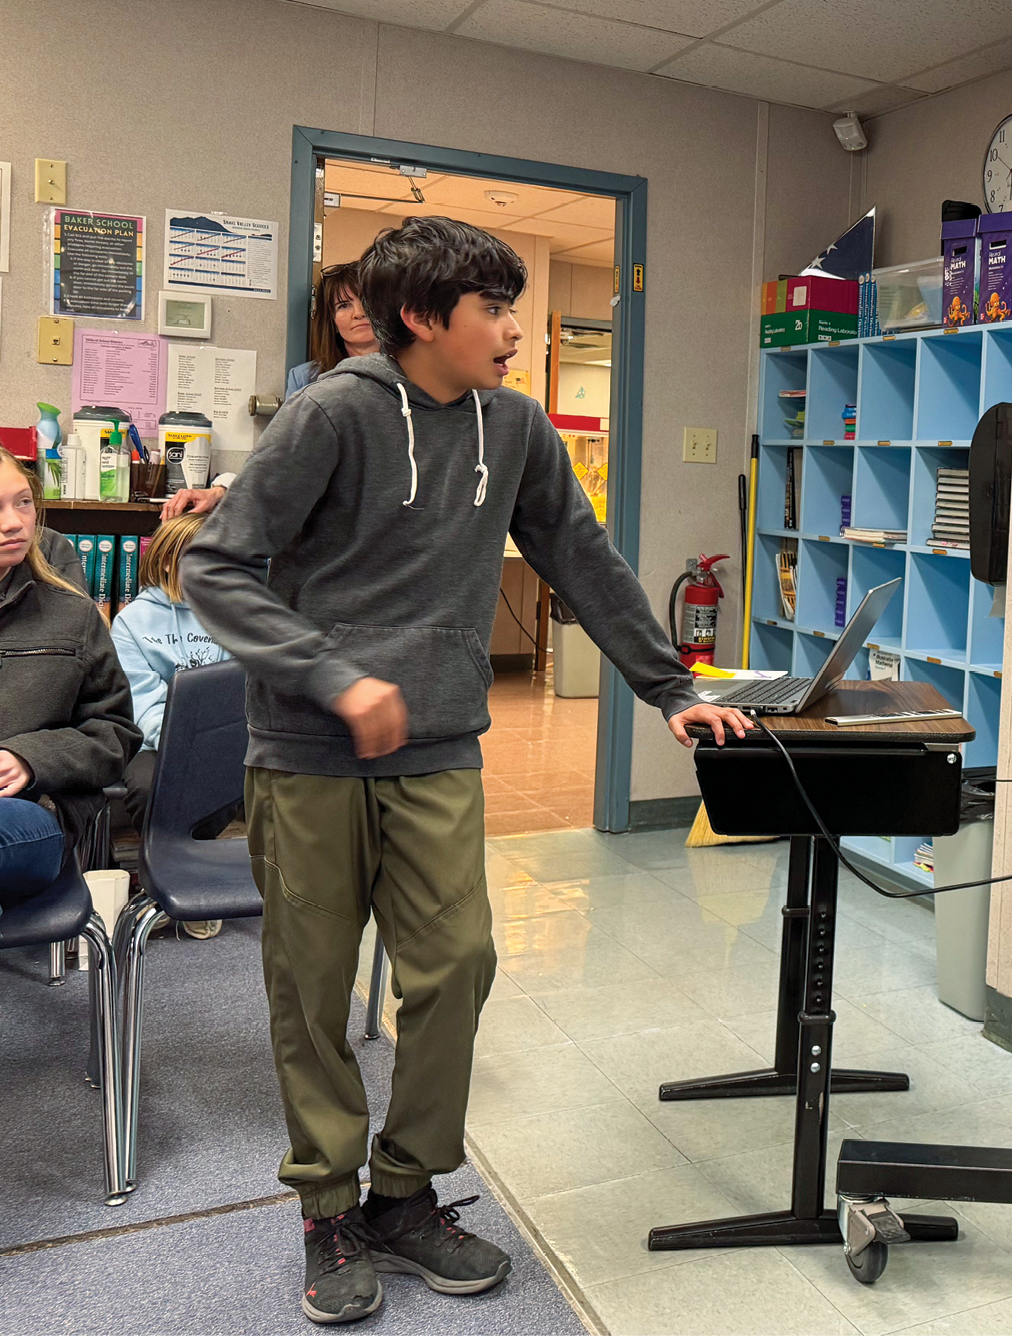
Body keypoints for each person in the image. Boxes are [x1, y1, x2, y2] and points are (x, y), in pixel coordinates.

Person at [180, 216, 749, 1325]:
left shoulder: (517, 426)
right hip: (306, 755)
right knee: (311, 986)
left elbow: (581, 555)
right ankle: (327, 1203)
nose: (514, 329)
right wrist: (332, 676)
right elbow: (217, 566)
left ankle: (405, 1188)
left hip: (438, 746)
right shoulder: (331, 414)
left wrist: (671, 688)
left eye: (512, 307)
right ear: (424, 320)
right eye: (494, 309)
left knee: (457, 968)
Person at [0, 445, 141, 938]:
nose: (14, 522)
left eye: (22, 503)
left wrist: (30, 758)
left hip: (34, 815)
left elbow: (116, 735)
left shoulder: (72, 615)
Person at [109, 512, 239, 892]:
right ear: (168, 560)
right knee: (150, 787)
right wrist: (184, 744)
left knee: (234, 777)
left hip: (219, 739)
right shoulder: (132, 622)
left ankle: (188, 874)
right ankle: (166, 877)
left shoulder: (232, 616)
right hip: (155, 742)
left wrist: (215, 742)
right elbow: (142, 702)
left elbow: (237, 692)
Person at [287, 261, 381, 397]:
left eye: (366, 301)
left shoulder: (411, 369)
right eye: (343, 305)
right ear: (332, 320)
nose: (359, 313)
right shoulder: (304, 379)